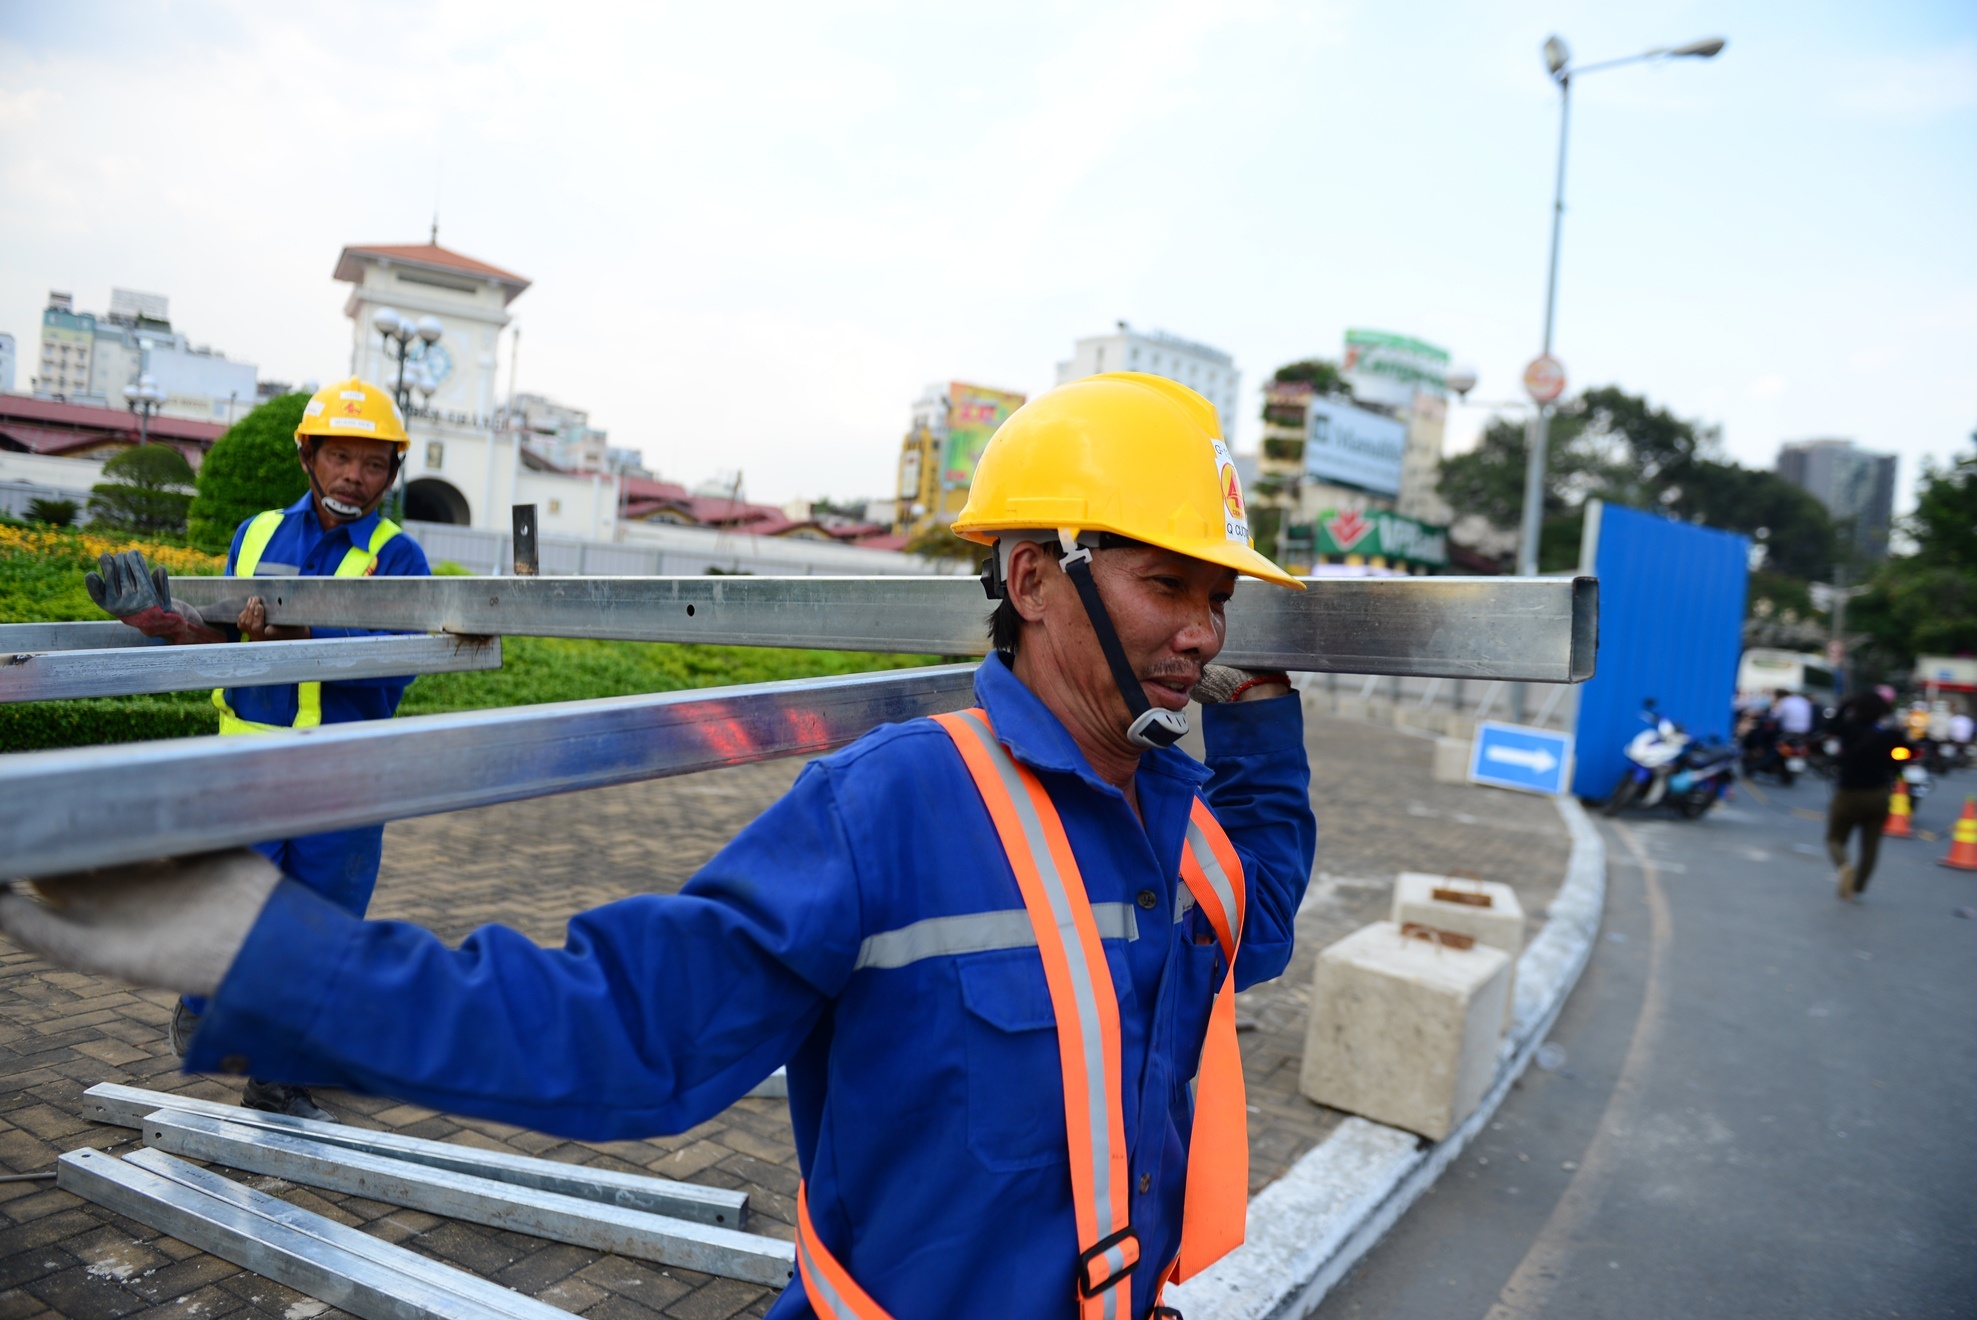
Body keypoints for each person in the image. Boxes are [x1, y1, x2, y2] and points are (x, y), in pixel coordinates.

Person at [3, 372, 1317, 1318]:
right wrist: (263, 950)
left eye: (1219, 597)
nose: (1203, 632)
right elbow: (621, 1031)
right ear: (1033, 578)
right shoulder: (896, 807)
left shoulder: (1182, 834)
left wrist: (1263, 729)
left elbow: (1247, 930)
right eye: (1167, 586)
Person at [80, 378, 431, 1119]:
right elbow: (220, 639)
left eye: (372, 466)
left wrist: (307, 635)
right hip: (249, 766)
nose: (353, 479)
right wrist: (160, 620)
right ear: (308, 456)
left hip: (343, 776)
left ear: (392, 474)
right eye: (339, 458)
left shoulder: (398, 557)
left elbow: (401, 661)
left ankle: (277, 1076)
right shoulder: (259, 532)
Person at [1826, 689, 1907, 902]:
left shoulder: (1849, 729)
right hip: (1879, 795)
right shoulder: (1890, 735)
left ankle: (1844, 867)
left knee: (1835, 838)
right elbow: (1906, 754)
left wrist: (1845, 705)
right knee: (1870, 845)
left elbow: (1829, 727)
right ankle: (1858, 888)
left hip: (1848, 793)